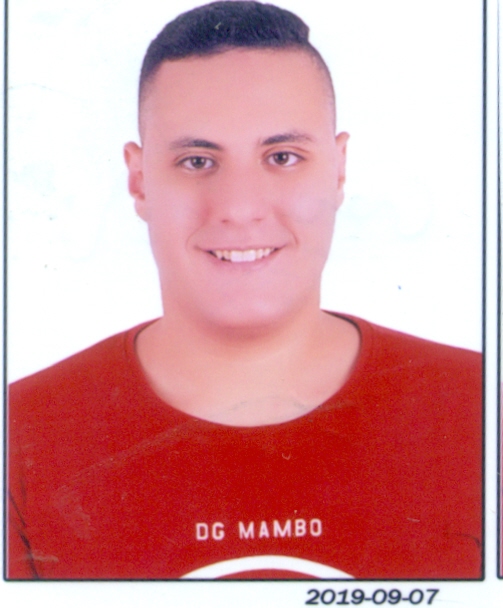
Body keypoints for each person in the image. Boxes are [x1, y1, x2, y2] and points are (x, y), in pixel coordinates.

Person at [8, 0, 481, 580]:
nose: (239, 208)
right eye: (197, 161)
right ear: (139, 179)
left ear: (338, 168)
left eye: (282, 157)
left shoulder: (482, 416)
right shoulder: (22, 441)